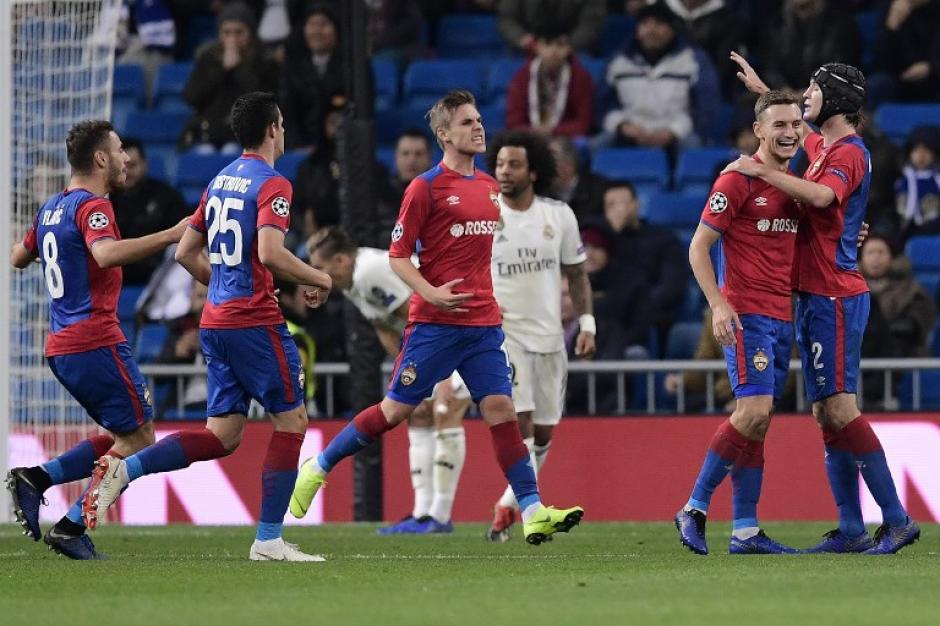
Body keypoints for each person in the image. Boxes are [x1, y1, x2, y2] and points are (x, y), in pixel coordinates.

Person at [290, 89, 584, 545]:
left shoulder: (489, 188)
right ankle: (320, 466)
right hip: (435, 323)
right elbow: (398, 255)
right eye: (467, 122)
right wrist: (431, 292)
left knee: (501, 410)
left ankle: (532, 510)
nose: (478, 127)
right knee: (394, 411)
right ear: (444, 134)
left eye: (479, 119)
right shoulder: (424, 188)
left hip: (483, 324)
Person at [82, 92, 334, 562]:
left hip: (215, 321)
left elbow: (183, 253)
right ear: (274, 129)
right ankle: (268, 540)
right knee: (293, 419)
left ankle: (127, 468)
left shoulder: (220, 180)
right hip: (253, 321)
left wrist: (224, 285)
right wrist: (320, 276)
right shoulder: (272, 182)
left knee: (223, 434)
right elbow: (270, 254)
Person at [727, 54, 920, 554]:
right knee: (825, 413)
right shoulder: (828, 145)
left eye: (813, 90)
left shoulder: (848, 153)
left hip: (834, 293)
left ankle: (896, 520)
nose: (806, 97)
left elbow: (820, 198)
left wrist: (760, 173)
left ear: (833, 98)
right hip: (818, 294)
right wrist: (762, 90)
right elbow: (792, 132)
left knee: (839, 407)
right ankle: (853, 529)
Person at [6, 120, 187, 560]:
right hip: (93, 339)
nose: (126, 159)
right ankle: (69, 524)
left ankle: (39, 479)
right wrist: (169, 234)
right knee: (142, 437)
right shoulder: (93, 207)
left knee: (124, 433)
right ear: (101, 158)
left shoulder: (52, 207)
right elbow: (104, 253)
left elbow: (17, 257)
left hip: (63, 345)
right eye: (120, 150)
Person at [674, 91, 804, 556]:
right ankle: (694, 506)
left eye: (795, 124)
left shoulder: (796, 183)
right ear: (759, 131)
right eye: (779, 125)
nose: (789, 132)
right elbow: (697, 247)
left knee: (760, 421)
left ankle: (746, 530)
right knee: (751, 412)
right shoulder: (736, 181)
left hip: (781, 315)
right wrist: (718, 304)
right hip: (746, 312)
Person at [306, 227, 471, 533]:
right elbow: (386, 329)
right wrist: (408, 378)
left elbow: (420, 318)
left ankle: (440, 515)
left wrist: (442, 374)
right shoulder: (352, 283)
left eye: (318, 267)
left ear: (340, 260)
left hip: (462, 332)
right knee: (419, 414)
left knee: (445, 410)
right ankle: (423, 514)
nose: (313, 274)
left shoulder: (370, 271)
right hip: (435, 342)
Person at [485, 130, 596, 542]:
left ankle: (507, 505)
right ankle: (532, 511)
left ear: (533, 170)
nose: (504, 172)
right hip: (504, 334)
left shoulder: (558, 216)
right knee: (524, 424)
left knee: (545, 433)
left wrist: (586, 324)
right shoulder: (485, 214)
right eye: (499, 164)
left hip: (550, 337)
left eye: (513, 164)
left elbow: (577, 274)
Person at [601, 3, 719, 149]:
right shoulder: (618, 62)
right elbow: (603, 105)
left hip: (677, 134)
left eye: (659, 23)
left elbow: (705, 107)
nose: (651, 30)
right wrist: (621, 126)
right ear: (637, 30)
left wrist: (674, 131)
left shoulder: (693, 60)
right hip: (628, 132)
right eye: (645, 24)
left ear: (672, 29)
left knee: (695, 148)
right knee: (597, 146)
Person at [180, 2, 278, 152]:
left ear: (250, 33)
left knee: (231, 151)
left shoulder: (264, 60)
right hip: (208, 130)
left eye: (239, 32)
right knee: (204, 153)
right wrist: (222, 70)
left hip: (246, 133)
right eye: (227, 33)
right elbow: (192, 97)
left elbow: (261, 101)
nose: (232, 39)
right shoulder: (208, 58)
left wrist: (239, 68)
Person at [109, 137, 189, 285]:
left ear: (145, 164)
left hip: (160, 279)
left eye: (132, 165)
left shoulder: (166, 196)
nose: (127, 172)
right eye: (121, 166)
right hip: (114, 276)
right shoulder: (105, 199)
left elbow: (184, 237)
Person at [505, 23, 594, 138]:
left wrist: (554, 130)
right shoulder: (522, 77)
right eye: (547, 44)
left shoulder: (581, 78)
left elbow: (583, 124)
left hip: (566, 140)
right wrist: (535, 132)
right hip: (529, 138)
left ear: (569, 48)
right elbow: (514, 123)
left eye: (560, 45)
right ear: (537, 46)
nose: (554, 51)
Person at [895, 126, 940, 241]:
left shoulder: (937, 180)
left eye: (926, 150)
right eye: (916, 150)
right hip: (905, 231)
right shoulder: (901, 181)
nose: (921, 155)